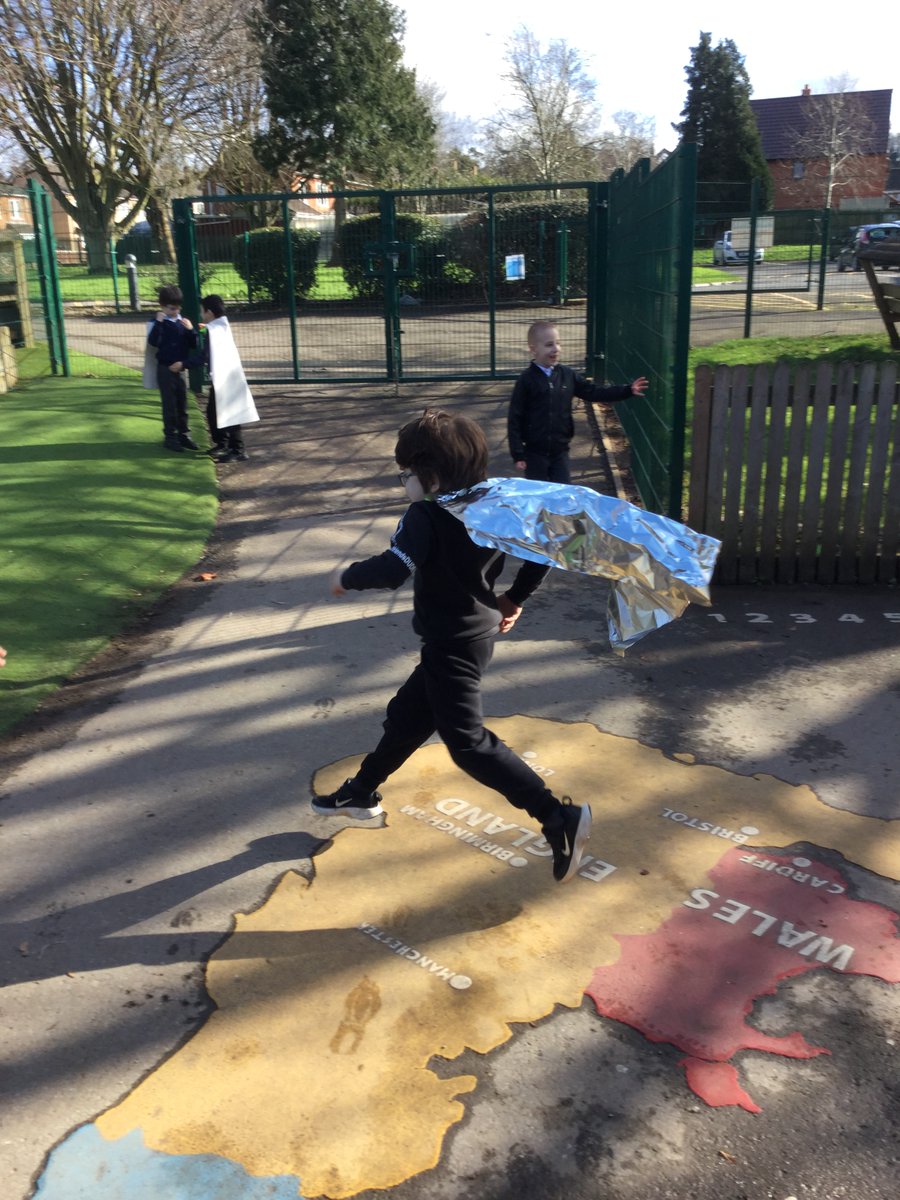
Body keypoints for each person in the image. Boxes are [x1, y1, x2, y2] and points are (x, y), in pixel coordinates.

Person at [314, 409, 592, 884]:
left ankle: (556, 818)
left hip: (454, 642)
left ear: (431, 475)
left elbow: (392, 570)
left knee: (467, 744)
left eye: (405, 474)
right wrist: (513, 598)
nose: (404, 483)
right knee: (407, 715)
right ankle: (360, 791)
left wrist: (346, 576)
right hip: (470, 634)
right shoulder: (492, 501)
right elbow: (543, 549)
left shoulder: (425, 513)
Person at [508, 319, 649, 484]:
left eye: (558, 343)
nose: (556, 349)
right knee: (539, 496)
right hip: (534, 452)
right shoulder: (526, 380)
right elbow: (515, 417)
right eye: (549, 345)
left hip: (560, 450)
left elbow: (593, 392)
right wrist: (518, 453)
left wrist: (626, 390)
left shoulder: (567, 375)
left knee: (563, 493)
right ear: (533, 349)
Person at [170, 294, 259, 463]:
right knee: (213, 411)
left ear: (209, 312)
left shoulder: (215, 329)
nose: (201, 314)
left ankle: (238, 449)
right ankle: (223, 443)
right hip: (225, 375)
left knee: (230, 412)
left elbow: (204, 356)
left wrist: (183, 364)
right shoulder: (220, 325)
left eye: (202, 311)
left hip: (226, 377)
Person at [146, 285, 199, 452]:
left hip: (180, 368)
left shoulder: (183, 323)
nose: (176, 310)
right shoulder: (158, 323)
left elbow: (194, 344)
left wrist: (191, 330)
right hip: (165, 368)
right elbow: (153, 342)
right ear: (163, 306)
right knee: (169, 404)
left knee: (182, 402)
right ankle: (170, 436)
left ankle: (184, 435)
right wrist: (160, 323)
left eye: (178, 307)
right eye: (172, 308)